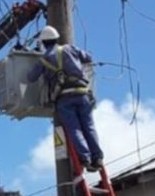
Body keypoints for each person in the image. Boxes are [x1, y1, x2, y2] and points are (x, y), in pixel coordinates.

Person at [27, 25, 104, 172]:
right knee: (89, 126)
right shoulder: (70, 48)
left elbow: (30, 78)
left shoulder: (44, 60)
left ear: (43, 43)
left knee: (74, 128)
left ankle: (86, 159)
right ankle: (98, 157)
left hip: (64, 98)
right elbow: (88, 57)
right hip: (82, 93)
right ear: (56, 39)